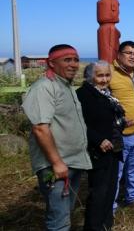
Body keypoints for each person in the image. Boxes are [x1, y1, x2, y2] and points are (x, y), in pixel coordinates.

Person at [22, 44, 92, 231]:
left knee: (64, 211)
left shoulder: (66, 86)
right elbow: (40, 128)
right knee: (59, 220)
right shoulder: (44, 87)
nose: (73, 64)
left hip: (72, 162)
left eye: (76, 60)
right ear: (51, 63)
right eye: (67, 60)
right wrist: (57, 163)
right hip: (55, 166)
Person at [76, 61, 125, 231]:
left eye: (107, 75)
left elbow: (109, 119)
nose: (104, 79)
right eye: (100, 75)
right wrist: (98, 140)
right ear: (90, 77)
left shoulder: (106, 93)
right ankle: (93, 227)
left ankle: (106, 224)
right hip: (98, 151)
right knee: (98, 192)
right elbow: (79, 124)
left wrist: (121, 122)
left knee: (110, 189)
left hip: (113, 149)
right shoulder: (83, 94)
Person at [110, 41, 134, 208]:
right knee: (115, 172)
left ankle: (132, 197)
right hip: (119, 133)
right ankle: (111, 204)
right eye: (128, 53)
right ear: (118, 54)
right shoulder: (109, 73)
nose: (133, 56)